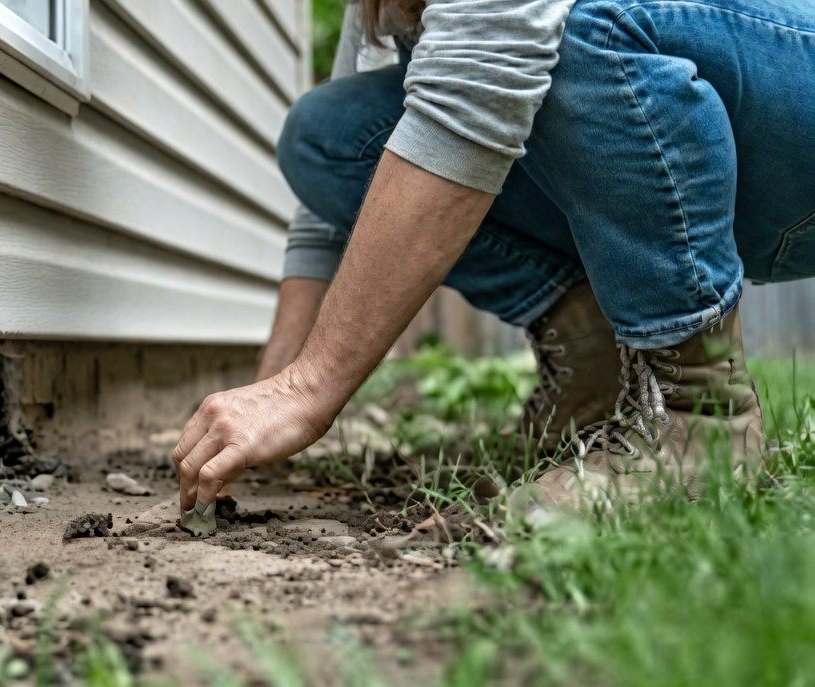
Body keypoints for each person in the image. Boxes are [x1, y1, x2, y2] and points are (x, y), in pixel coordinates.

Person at [176, 0, 815, 512]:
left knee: (568, 27)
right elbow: (336, 208)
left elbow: (485, 68)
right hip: (689, 160)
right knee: (328, 134)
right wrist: (273, 387)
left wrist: (308, 389)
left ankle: (702, 419)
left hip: (788, 116)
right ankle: (591, 373)